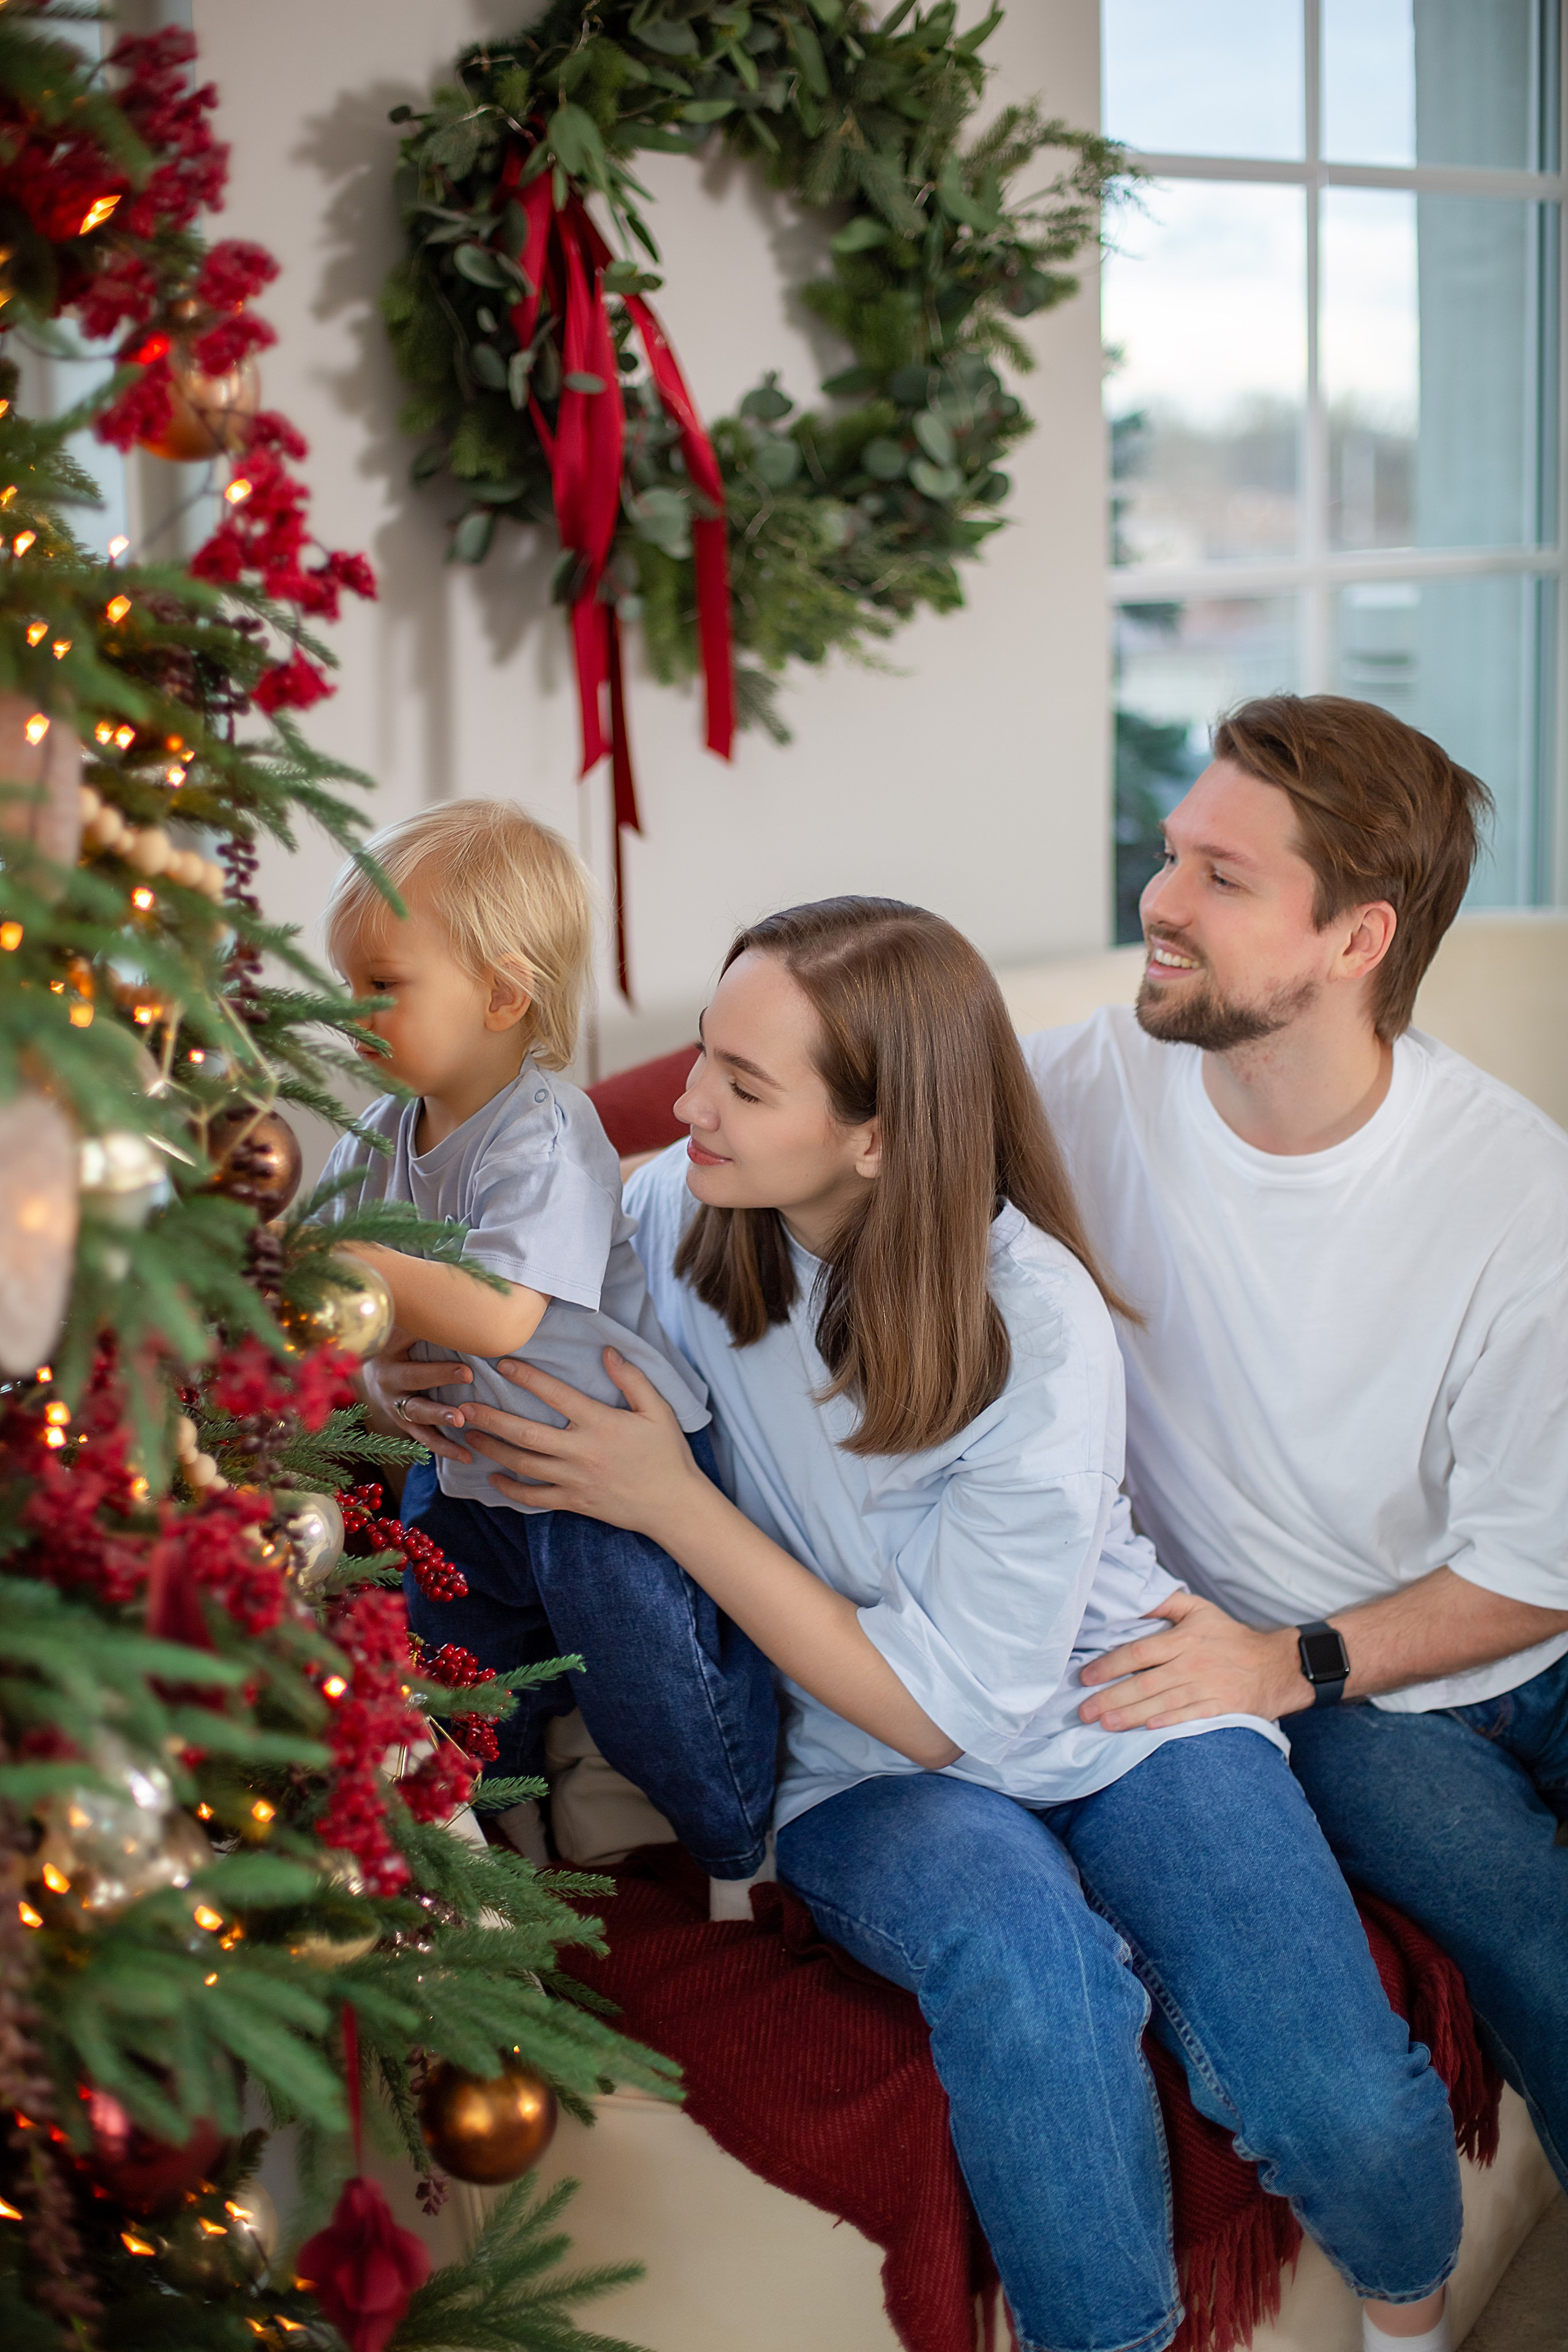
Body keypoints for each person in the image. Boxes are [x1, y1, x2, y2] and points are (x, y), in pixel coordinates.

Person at [374, 897, 1463, 2352]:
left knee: (1339, 2102)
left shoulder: (1035, 1320)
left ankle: (1408, 2316)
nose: (684, 1098)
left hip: (1109, 1709)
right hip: (861, 1771)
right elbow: (499, 1308)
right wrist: (396, 1379)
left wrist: (676, 1508)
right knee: (1033, 1980)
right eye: (703, 1053)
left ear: (877, 1134)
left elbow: (948, 1701)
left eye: (742, 1086)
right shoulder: (676, 1214)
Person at [1020, 693, 1568, 2207]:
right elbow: (798, 1118)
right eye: (1170, 853)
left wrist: (1285, 1665)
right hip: (1357, 1705)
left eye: (1221, 877)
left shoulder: (1516, 1192)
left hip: (1486, 1630)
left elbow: (1536, 1575)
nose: (1158, 900)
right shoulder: (1080, 1089)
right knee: (1545, 1954)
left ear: (1355, 940)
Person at [317, 800, 775, 1898]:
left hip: (601, 1473)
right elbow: (348, 1315)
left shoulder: (548, 1128)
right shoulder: (376, 1134)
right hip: (471, 1469)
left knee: (649, 1677)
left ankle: (734, 1845)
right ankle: (498, 1824)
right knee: (459, 1665)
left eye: (384, 984)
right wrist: (377, 1371)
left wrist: (357, 1266)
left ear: (503, 993)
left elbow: (500, 1311)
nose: (351, 1013)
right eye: (350, 985)